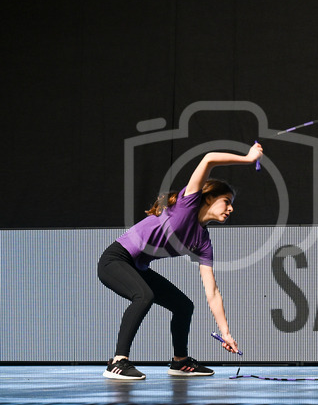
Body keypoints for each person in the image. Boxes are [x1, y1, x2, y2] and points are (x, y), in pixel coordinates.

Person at [97, 143, 262, 380]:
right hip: (115, 259)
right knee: (144, 295)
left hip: (137, 267)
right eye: (227, 201)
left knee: (184, 306)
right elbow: (208, 159)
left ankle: (180, 362)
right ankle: (118, 361)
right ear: (209, 198)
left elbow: (212, 291)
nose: (231, 208)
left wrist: (226, 333)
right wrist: (248, 158)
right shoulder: (188, 203)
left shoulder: (202, 240)